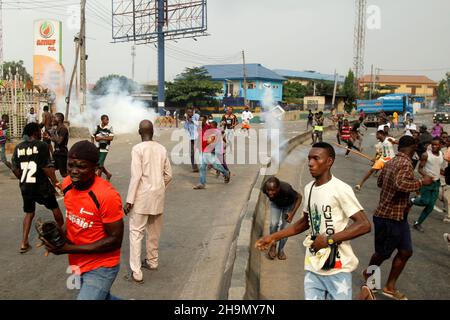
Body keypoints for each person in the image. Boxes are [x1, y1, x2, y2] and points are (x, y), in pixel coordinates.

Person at [256, 142, 371, 300]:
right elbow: (305, 222)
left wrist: (329, 240)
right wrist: (273, 237)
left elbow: (364, 224)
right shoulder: (309, 188)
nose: (310, 163)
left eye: (316, 158)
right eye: (309, 158)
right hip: (313, 264)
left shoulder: (340, 189)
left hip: (337, 267)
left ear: (329, 161)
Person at [42, 140, 124, 300]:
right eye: (70, 165)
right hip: (78, 263)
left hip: (102, 266)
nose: (74, 171)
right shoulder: (67, 185)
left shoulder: (107, 196)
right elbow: (73, 217)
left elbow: (115, 240)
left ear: (95, 168)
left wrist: (67, 248)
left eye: (81, 166)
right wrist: (58, 236)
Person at [363, 136, 433, 300]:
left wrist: (404, 198)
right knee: (382, 253)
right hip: (388, 216)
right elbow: (400, 184)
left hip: (399, 215)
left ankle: (389, 287)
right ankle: (369, 273)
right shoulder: (405, 163)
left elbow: (381, 182)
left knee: (405, 251)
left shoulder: (391, 161)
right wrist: (421, 182)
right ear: (413, 147)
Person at [124, 120, 172, 283]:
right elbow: (169, 175)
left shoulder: (137, 149)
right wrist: (158, 187)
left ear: (139, 132)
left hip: (142, 197)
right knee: (154, 232)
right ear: (153, 132)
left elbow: (136, 176)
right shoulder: (161, 148)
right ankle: (152, 261)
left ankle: (136, 272)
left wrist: (129, 200)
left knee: (136, 233)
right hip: (157, 197)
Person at [11, 123, 64, 253]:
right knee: (54, 208)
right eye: (39, 131)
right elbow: (46, 167)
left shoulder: (18, 147)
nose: (41, 133)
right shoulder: (42, 146)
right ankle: (62, 235)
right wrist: (56, 182)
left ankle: (24, 243)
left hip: (25, 185)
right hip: (41, 186)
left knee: (29, 213)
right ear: (35, 132)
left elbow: (15, 169)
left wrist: (22, 178)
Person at [261, 177, 302, 260]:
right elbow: (270, 194)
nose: (270, 193)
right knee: (273, 224)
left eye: (273, 190)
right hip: (276, 205)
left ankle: (281, 250)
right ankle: (273, 246)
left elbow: (299, 197)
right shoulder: (264, 189)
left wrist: (292, 214)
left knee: (285, 228)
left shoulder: (287, 189)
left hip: (289, 206)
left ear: (278, 188)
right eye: (268, 190)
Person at [411, 137, 444, 232]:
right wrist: (427, 176)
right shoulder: (426, 155)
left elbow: (437, 167)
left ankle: (418, 223)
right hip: (427, 183)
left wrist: (442, 172)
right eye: (432, 144)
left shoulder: (441, 154)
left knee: (430, 206)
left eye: (436, 145)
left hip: (436, 183)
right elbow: (420, 168)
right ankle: (412, 200)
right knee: (424, 202)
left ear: (441, 145)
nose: (434, 146)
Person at [194, 120, 230, 189]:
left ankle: (225, 172)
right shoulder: (200, 129)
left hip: (209, 151)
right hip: (203, 151)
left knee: (215, 166)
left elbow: (213, 138)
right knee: (202, 167)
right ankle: (202, 183)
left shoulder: (209, 128)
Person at [46, 113, 69, 178]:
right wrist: (49, 137)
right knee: (51, 168)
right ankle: (55, 184)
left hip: (61, 153)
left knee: (64, 174)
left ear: (58, 119)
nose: (52, 119)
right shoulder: (57, 128)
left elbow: (59, 141)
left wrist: (52, 133)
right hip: (56, 153)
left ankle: (72, 185)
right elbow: (56, 139)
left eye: (54, 118)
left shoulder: (63, 129)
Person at [91, 115, 114, 181]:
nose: (107, 121)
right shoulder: (97, 127)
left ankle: (98, 180)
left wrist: (101, 137)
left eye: (108, 120)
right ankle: (108, 174)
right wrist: (92, 145)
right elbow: (92, 136)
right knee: (98, 163)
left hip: (105, 148)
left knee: (100, 165)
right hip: (97, 147)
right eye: (106, 120)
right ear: (102, 120)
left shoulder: (110, 128)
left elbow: (111, 138)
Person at [184, 108, 200, 172]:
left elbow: (198, 124)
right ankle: (194, 167)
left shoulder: (196, 116)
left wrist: (192, 120)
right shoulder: (187, 119)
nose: (189, 113)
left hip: (197, 137)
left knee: (196, 152)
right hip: (191, 138)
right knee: (191, 152)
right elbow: (185, 128)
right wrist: (186, 120)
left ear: (193, 112)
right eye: (188, 112)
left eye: (190, 112)